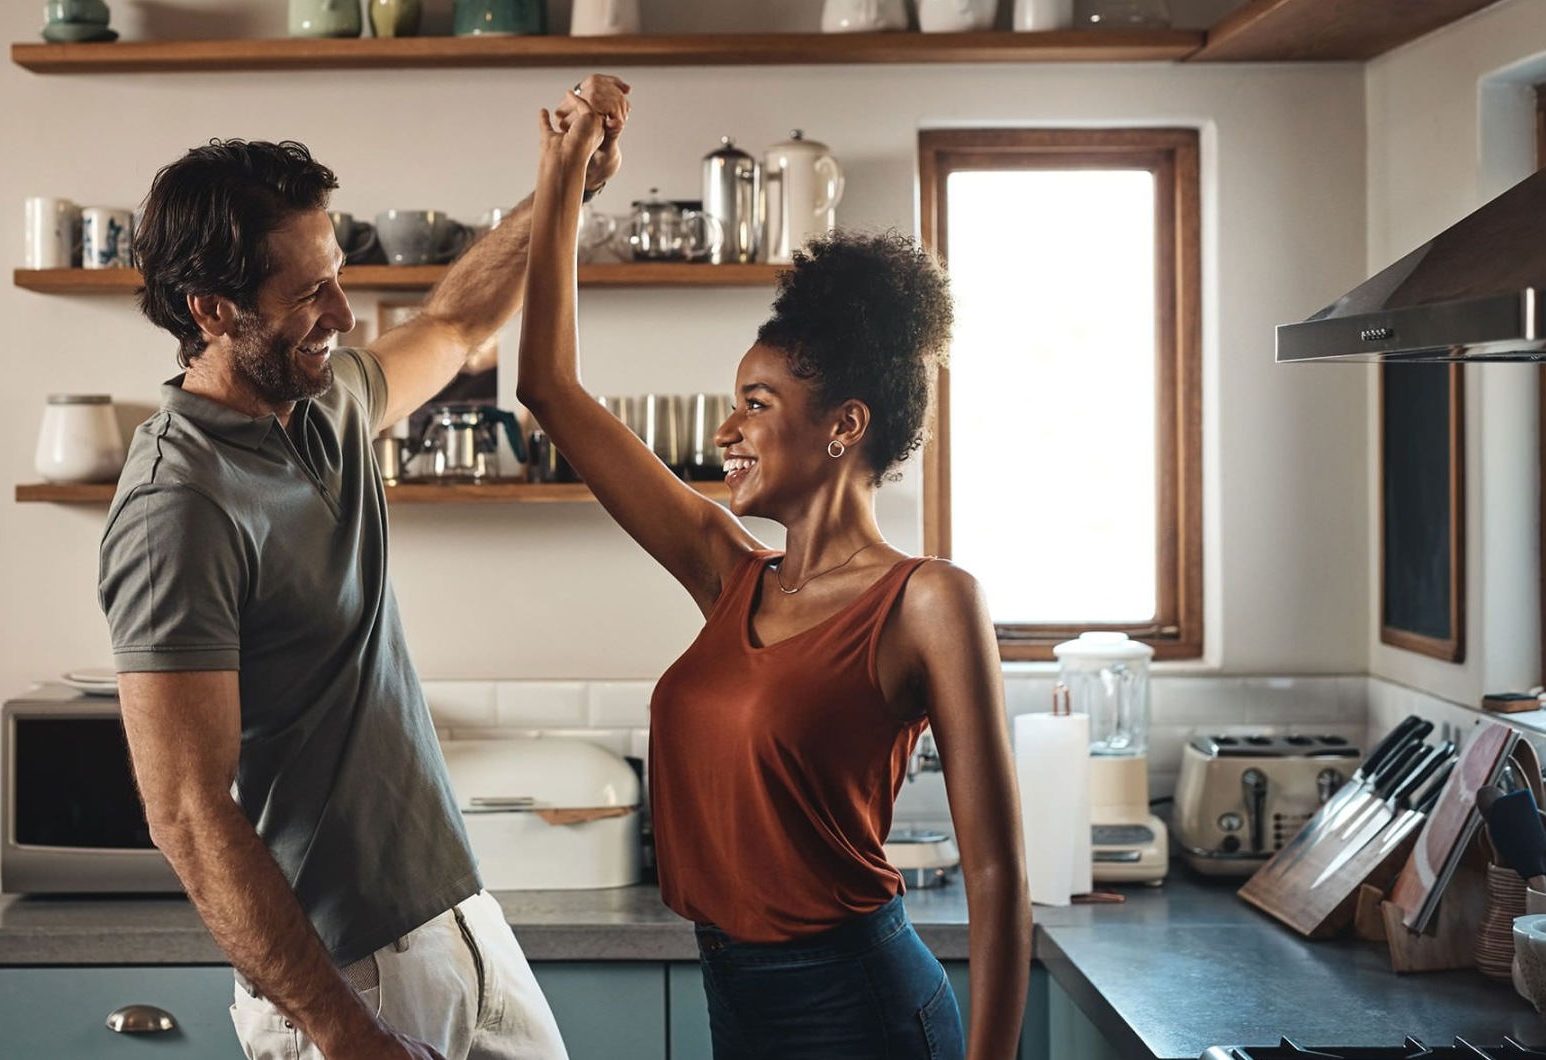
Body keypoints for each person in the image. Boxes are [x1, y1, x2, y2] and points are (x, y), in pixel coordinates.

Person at [96, 75, 631, 1060]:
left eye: (334, 273)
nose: (343, 311)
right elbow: (184, 808)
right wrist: (344, 1034)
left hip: (451, 915)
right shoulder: (179, 502)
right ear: (213, 309)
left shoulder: (323, 402)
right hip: (342, 972)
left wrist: (562, 187)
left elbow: (458, 325)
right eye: (308, 293)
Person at [517, 100, 1031, 1059]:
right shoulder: (728, 574)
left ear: (843, 426)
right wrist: (563, 180)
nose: (726, 432)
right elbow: (548, 386)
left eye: (755, 405)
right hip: (736, 995)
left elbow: (997, 873)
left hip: (860, 1008)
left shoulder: (929, 602)